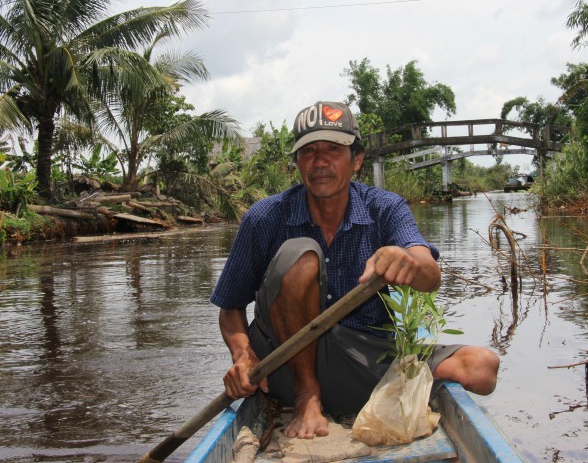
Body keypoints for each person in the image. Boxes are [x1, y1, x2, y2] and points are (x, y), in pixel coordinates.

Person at [210, 101, 499, 439]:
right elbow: (230, 306)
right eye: (308, 151)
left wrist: (407, 262)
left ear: (357, 160)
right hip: (284, 364)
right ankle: (308, 397)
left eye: (334, 149)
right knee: (301, 256)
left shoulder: (385, 207)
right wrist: (243, 356)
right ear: (298, 163)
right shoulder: (264, 217)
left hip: (362, 356)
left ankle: (364, 396)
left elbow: (430, 274)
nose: (320, 161)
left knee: (482, 368)